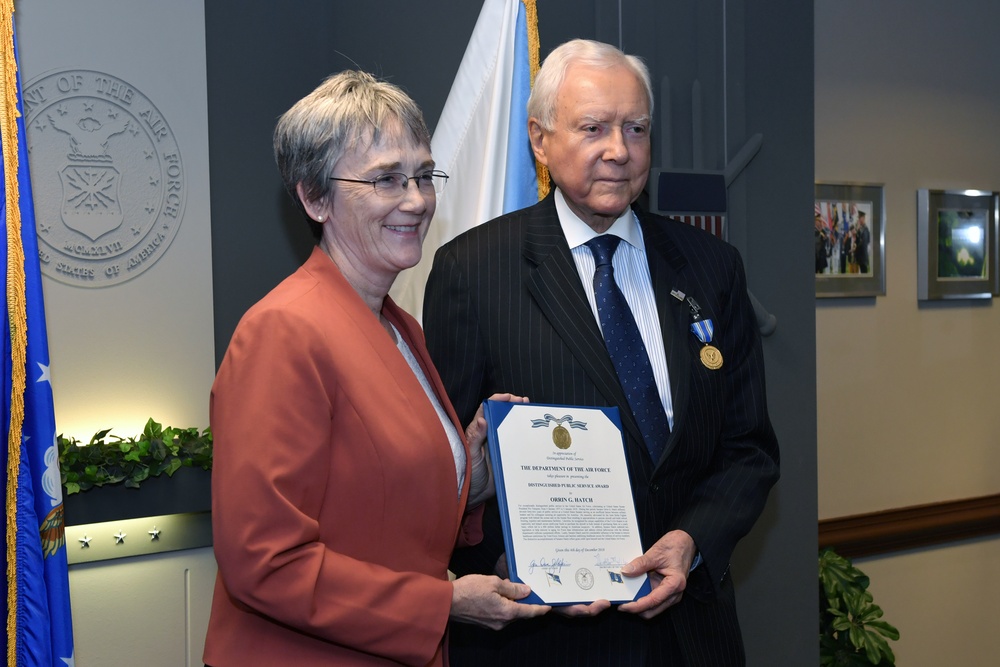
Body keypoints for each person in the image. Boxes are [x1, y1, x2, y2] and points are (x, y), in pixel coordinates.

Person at [423, 39, 780, 666]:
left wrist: (692, 541)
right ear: (539, 140)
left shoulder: (711, 267)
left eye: (635, 128)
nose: (619, 149)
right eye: (594, 128)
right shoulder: (472, 271)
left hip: (692, 636)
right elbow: (444, 463)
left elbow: (748, 448)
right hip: (547, 640)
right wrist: (493, 563)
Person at [203, 70, 548, 667]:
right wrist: (441, 603)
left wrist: (468, 476)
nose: (416, 200)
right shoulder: (283, 331)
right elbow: (264, 561)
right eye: (386, 179)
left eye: (422, 175)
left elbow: (375, 504)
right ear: (314, 199)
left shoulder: (398, 327)